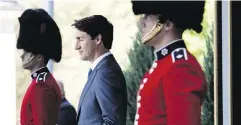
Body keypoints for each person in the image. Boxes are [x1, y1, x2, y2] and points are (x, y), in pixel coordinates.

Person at [131, 1, 207, 125]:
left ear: (167, 24)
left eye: (148, 16)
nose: (141, 23)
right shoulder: (166, 64)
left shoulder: (181, 67)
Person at [72, 15, 127, 125]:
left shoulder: (106, 73)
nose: (76, 46)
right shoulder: (99, 70)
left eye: (81, 39)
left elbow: (113, 122)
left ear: (98, 39)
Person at [17, 8, 62, 125]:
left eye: (27, 51)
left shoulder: (42, 87)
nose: (22, 55)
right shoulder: (42, 82)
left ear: (39, 57)